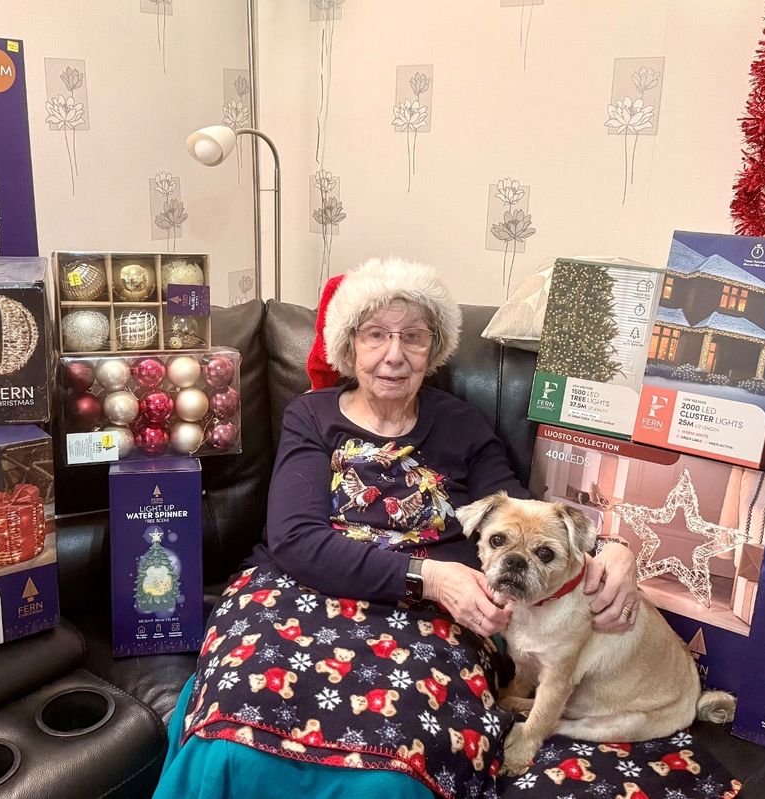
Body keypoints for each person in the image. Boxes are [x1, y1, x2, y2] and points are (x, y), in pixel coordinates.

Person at [154, 258, 639, 799]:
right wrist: (426, 575)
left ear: (433, 351)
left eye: (413, 336)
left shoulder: (460, 423)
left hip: (434, 619)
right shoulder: (311, 415)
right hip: (296, 593)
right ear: (349, 347)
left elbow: (523, 512)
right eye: (375, 334)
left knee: (399, 760)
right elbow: (295, 540)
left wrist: (610, 549)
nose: (394, 354)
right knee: (233, 737)